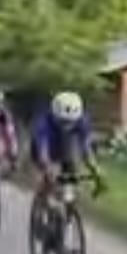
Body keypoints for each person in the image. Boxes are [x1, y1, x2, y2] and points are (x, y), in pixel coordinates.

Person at [29, 91, 104, 228]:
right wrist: (48, 170)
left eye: (71, 122)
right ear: (55, 115)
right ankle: (43, 210)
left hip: (65, 149)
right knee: (50, 180)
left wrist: (96, 173)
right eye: (63, 121)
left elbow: (86, 151)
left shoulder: (82, 121)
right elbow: (42, 153)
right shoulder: (43, 124)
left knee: (72, 182)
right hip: (44, 149)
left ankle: (64, 218)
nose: (67, 125)